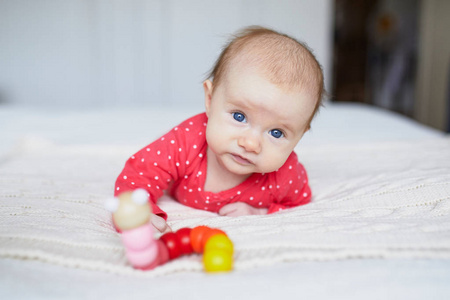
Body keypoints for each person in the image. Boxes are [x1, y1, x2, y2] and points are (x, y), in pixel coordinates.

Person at [114, 26, 325, 233]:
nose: (251, 144)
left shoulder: (286, 175)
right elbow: (140, 173)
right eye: (239, 116)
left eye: (276, 133)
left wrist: (259, 212)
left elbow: (299, 208)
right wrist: (138, 213)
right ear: (210, 99)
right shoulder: (188, 139)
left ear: (299, 136)